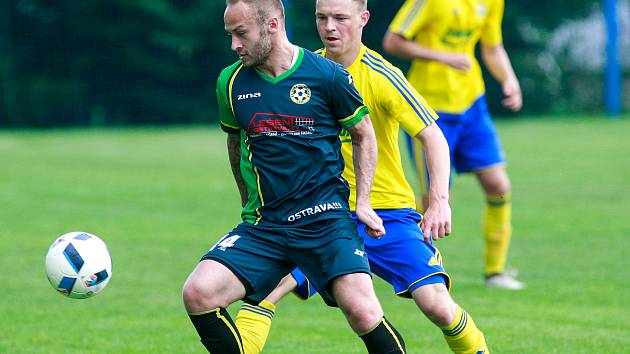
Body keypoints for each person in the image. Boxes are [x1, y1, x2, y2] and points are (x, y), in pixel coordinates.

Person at [232, 0, 490, 353]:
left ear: (363, 19)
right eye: (322, 18)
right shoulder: (303, 70)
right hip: (319, 214)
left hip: (387, 214)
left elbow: (433, 137)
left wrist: (438, 201)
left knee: (436, 304)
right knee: (265, 291)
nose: (330, 27)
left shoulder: (382, 75)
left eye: (340, 18)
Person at [182, 0, 408, 353]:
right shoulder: (231, 82)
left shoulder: (327, 75)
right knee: (198, 293)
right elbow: (234, 142)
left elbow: (364, 133)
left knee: (363, 311)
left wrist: (362, 202)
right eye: (230, 35)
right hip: (267, 226)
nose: (234, 45)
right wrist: (247, 203)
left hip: (325, 222)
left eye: (241, 34)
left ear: (272, 25)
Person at [382, 0, 525, 289]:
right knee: (434, 197)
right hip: (429, 111)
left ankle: (495, 271)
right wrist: (441, 57)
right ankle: (427, 274)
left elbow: (492, 47)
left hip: (473, 104)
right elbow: (393, 41)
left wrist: (509, 79)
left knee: (499, 186)